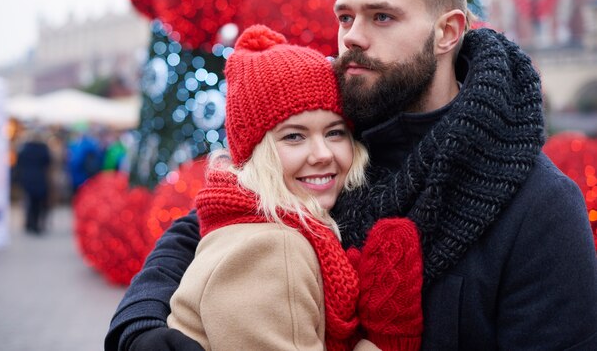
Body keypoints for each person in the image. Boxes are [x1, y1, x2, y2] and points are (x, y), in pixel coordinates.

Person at [106, 0, 597, 350]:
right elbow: (207, 219)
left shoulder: (538, 204)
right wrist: (142, 322)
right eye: (345, 17)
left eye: (381, 17)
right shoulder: (329, 138)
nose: (351, 38)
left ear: (448, 31)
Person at [141, 24, 422, 350]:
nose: (322, 154)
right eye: (294, 136)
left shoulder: (264, 222)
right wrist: (384, 340)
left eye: (334, 132)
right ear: (255, 152)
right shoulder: (273, 249)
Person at [15, 128, 52, 234]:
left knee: (29, 202)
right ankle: (36, 224)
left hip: (27, 178)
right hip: (40, 178)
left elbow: (19, 163)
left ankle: (29, 223)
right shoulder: (43, 149)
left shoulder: (24, 148)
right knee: (38, 203)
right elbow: (48, 162)